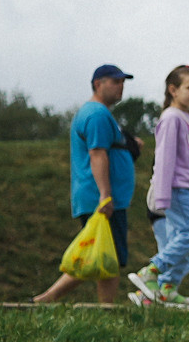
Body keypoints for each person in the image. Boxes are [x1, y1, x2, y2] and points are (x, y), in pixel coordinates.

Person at [31, 65, 139, 307]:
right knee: (108, 258)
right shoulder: (97, 114)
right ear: (98, 84)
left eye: (123, 82)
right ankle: (106, 309)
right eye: (115, 81)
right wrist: (105, 195)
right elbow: (97, 154)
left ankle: (47, 299)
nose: (120, 86)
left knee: (98, 255)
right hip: (101, 198)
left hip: (102, 197)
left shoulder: (100, 114)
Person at [126, 66, 189, 310]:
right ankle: (151, 272)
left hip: (186, 189)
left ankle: (164, 291)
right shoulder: (171, 118)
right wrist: (163, 195)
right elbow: (164, 159)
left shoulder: (186, 118)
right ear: (173, 90)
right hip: (175, 189)